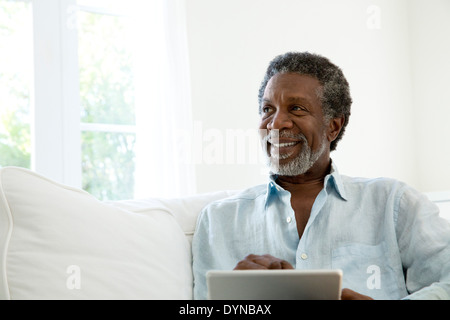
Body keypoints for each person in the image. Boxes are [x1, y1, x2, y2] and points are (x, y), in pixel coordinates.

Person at [192, 51, 450, 300]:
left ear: (333, 126)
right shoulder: (218, 220)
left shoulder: (394, 203)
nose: (276, 123)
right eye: (268, 109)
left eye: (296, 109)